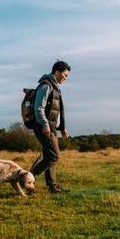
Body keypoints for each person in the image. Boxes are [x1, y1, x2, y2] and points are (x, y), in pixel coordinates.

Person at [29, 60, 71, 193]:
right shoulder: (46, 86)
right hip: (43, 127)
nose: (65, 78)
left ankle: (52, 186)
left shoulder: (54, 87)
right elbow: (38, 108)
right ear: (57, 72)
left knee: (49, 155)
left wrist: (62, 127)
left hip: (51, 127)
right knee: (54, 156)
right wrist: (45, 124)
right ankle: (29, 176)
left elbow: (56, 111)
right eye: (64, 75)